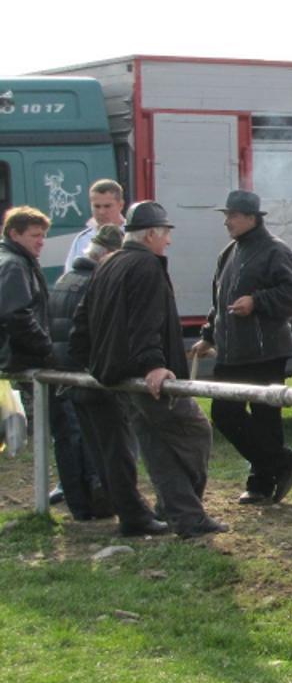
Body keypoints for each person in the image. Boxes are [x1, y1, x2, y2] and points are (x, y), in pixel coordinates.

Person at [70, 200, 226, 538]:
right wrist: (154, 365)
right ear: (151, 234)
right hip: (146, 376)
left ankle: (183, 516)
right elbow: (146, 322)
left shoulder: (107, 264)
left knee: (157, 447)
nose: (169, 241)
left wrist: (89, 361)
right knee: (195, 433)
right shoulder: (147, 266)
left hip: (117, 378)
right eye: (166, 233)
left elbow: (82, 321)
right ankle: (183, 511)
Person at [191, 190, 292, 505]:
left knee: (266, 418)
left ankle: (260, 484)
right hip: (232, 352)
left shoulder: (275, 250)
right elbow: (219, 301)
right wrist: (208, 335)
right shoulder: (228, 253)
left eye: (232, 216)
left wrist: (257, 301)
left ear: (251, 218)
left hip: (265, 350)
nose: (227, 222)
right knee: (225, 414)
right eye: (226, 215)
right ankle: (280, 462)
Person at [47, 223, 122, 521]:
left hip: (60, 370)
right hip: (83, 371)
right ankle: (99, 501)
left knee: (68, 440)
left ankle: (78, 506)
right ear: (108, 254)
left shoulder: (65, 279)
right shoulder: (95, 283)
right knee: (93, 440)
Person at [0, 207, 55, 422]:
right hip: (19, 358)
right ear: (14, 234)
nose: (41, 242)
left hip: (13, 357)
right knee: (60, 422)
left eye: (43, 236)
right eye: (35, 235)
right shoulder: (14, 264)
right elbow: (17, 315)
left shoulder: (11, 259)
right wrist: (47, 348)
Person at [63, 179, 127, 274]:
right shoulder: (82, 239)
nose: (102, 212)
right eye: (97, 206)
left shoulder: (133, 236)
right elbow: (70, 274)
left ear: (121, 205)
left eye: (107, 206)